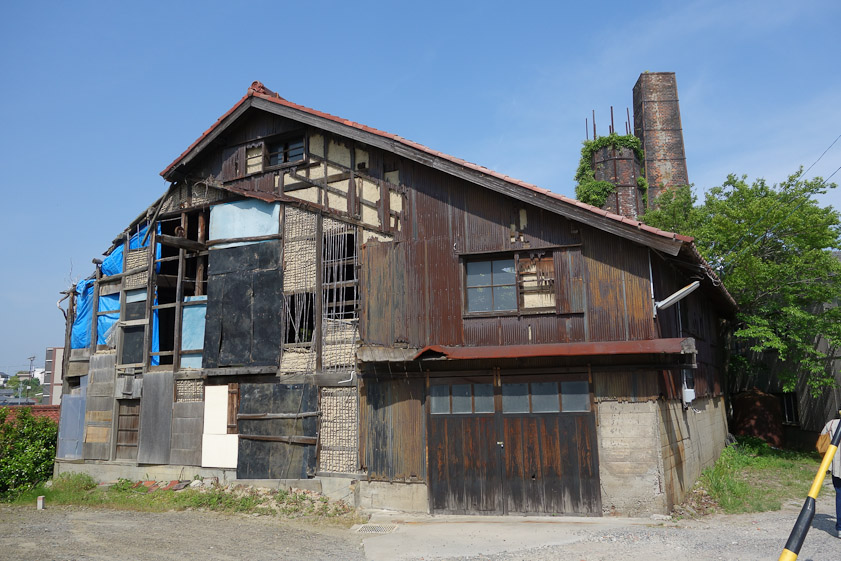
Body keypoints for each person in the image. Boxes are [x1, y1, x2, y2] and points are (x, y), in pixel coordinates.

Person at [821, 416, 841, 538]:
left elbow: (822, 442)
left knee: (840, 495)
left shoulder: (831, 424)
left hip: (837, 466)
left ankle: (840, 528)